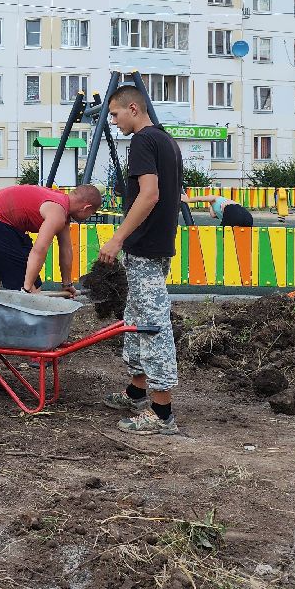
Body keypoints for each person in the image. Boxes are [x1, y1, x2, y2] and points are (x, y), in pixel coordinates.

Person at [97, 86, 184, 436]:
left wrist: (118, 238)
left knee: (151, 325)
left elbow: (150, 195)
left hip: (145, 247)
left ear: (133, 108)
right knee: (135, 319)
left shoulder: (144, 142)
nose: (114, 123)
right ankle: (136, 391)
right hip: (156, 244)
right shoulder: (167, 141)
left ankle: (162, 414)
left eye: (115, 115)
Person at [0, 183, 103, 293]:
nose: (89, 217)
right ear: (86, 208)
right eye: (91, 213)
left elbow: (66, 250)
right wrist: (27, 287)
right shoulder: (57, 213)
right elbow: (39, 250)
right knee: (32, 289)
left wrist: (67, 284)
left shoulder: (62, 204)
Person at [183, 192, 254, 228]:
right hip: (246, 215)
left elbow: (201, 198)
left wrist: (188, 200)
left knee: (221, 232)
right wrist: (210, 205)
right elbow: (213, 215)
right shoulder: (216, 206)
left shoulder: (216, 198)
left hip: (233, 211)